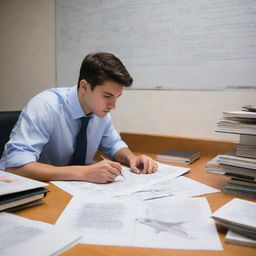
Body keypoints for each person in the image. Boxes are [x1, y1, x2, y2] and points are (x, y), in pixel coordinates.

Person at [0, 52, 158, 183]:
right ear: (84, 87)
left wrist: (131, 158)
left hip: (71, 190)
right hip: (29, 189)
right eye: (107, 96)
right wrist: (84, 173)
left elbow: (114, 145)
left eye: (117, 97)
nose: (113, 105)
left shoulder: (100, 113)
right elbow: (16, 167)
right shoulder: (44, 107)